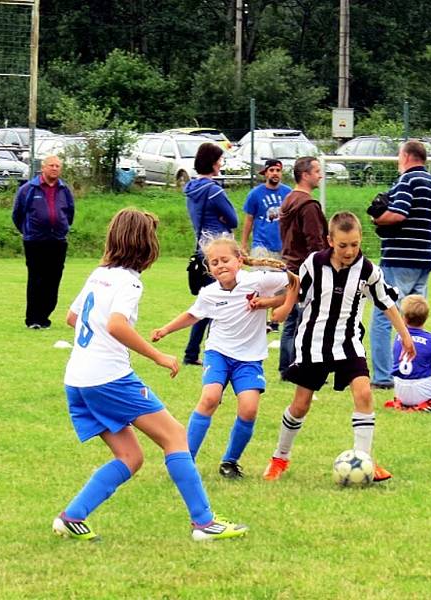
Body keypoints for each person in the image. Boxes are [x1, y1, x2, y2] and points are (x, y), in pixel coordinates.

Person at [53, 208, 248, 542]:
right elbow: (115, 324)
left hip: (78, 379)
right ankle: (203, 523)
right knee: (175, 436)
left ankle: (72, 516)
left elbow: (73, 318)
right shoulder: (129, 280)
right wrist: (158, 355)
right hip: (108, 379)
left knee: (130, 456)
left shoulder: (99, 274)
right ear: (145, 244)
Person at [262, 211, 416, 483]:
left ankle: (364, 459)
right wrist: (269, 306)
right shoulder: (314, 264)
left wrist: (405, 335)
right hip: (313, 343)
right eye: (343, 245)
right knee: (301, 404)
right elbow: (293, 292)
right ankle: (279, 458)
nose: (349, 251)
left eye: (354, 244)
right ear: (330, 240)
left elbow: (386, 303)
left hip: (348, 342)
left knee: (364, 394)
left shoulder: (368, 270)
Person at [151, 235, 298, 479]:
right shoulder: (209, 293)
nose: (220, 265)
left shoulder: (257, 280)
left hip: (249, 359)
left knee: (249, 409)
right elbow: (192, 315)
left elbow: (294, 282)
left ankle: (230, 462)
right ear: (209, 268)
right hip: (218, 352)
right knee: (210, 397)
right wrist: (165, 329)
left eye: (225, 260)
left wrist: (268, 303)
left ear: (239, 261)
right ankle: (185, 460)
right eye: (214, 262)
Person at [369, 140, 431, 389]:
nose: (399, 161)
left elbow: (399, 213)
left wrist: (376, 218)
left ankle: (383, 377)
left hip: (399, 258)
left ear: (408, 156)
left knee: (383, 314)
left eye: (400, 156)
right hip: (424, 259)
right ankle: (411, 371)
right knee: (413, 317)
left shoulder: (407, 181)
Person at [183, 142, 239, 366]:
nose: (221, 163)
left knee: (207, 301)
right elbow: (233, 219)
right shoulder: (214, 190)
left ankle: (192, 352)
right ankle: (210, 350)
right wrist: (224, 220)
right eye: (219, 159)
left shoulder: (190, 189)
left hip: (202, 247)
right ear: (213, 162)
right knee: (220, 300)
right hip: (220, 250)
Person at [277, 156, 329, 378]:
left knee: (292, 320)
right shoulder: (308, 205)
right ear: (305, 175)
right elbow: (315, 242)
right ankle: (298, 367)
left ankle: (286, 366)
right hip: (305, 268)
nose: (321, 175)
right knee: (305, 320)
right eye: (317, 171)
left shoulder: (288, 199)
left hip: (289, 265)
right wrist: (324, 267)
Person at [11, 155, 75, 329]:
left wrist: (61, 228)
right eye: (51, 165)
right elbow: (17, 215)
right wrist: (28, 231)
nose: (55, 168)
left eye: (58, 166)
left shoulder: (64, 190)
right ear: (43, 168)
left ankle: (45, 316)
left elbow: (69, 214)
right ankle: (33, 319)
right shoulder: (28, 189)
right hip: (35, 242)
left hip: (58, 241)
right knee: (36, 279)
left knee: (53, 280)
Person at [241, 158, 291, 332]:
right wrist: (244, 244)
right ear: (266, 173)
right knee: (260, 283)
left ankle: (274, 321)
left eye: (278, 170)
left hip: (282, 246)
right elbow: (248, 219)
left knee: (281, 284)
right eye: (272, 170)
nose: (275, 173)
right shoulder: (255, 194)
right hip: (261, 244)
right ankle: (257, 318)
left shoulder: (288, 193)